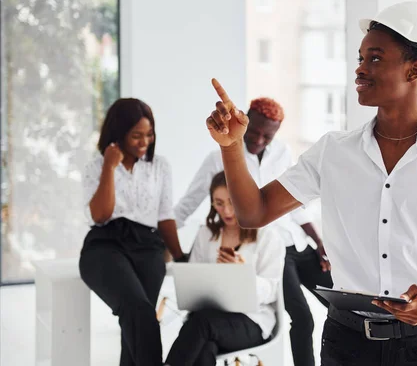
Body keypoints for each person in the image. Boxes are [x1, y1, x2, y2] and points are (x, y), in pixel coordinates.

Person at [204, 1, 417, 365]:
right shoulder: (332, 152)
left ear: (414, 70)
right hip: (346, 345)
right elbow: (253, 212)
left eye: (374, 58)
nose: (359, 68)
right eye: (360, 58)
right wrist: (231, 147)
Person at [175, 97, 333, 366]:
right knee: (302, 318)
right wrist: (163, 239)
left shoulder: (281, 152)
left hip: (296, 242)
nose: (259, 139)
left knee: (340, 304)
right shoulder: (219, 157)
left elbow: (295, 202)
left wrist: (318, 242)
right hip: (269, 249)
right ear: (245, 120)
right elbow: (189, 202)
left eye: (267, 135)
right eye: (255, 131)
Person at [79, 98, 186, 366]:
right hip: (105, 246)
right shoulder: (96, 165)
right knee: (137, 311)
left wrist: (181, 257)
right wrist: (108, 166)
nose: (144, 142)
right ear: (118, 135)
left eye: (149, 135)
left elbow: (165, 217)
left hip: (149, 248)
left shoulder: (160, 166)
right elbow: (100, 215)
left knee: (138, 322)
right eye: (136, 135)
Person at [165, 171, 285, 366]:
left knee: (201, 325)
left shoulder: (269, 237)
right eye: (219, 203)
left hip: (251, 321)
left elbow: (271, 291)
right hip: (208, 320)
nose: (227, 211)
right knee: (205, 348)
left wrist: (242, 273)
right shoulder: (206, 234)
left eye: (232, 202)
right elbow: (194, 282)